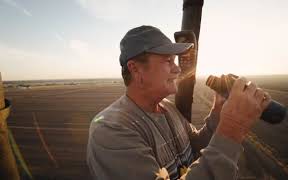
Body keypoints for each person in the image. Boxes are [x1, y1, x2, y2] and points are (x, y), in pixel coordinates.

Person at [86, 25, 271, 180]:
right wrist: (232, 127)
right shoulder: (111, 129)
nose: (177, 68)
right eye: (168, 61)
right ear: (136, 69)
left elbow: (197, 147)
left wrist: (218, 112)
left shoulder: (167, 107)